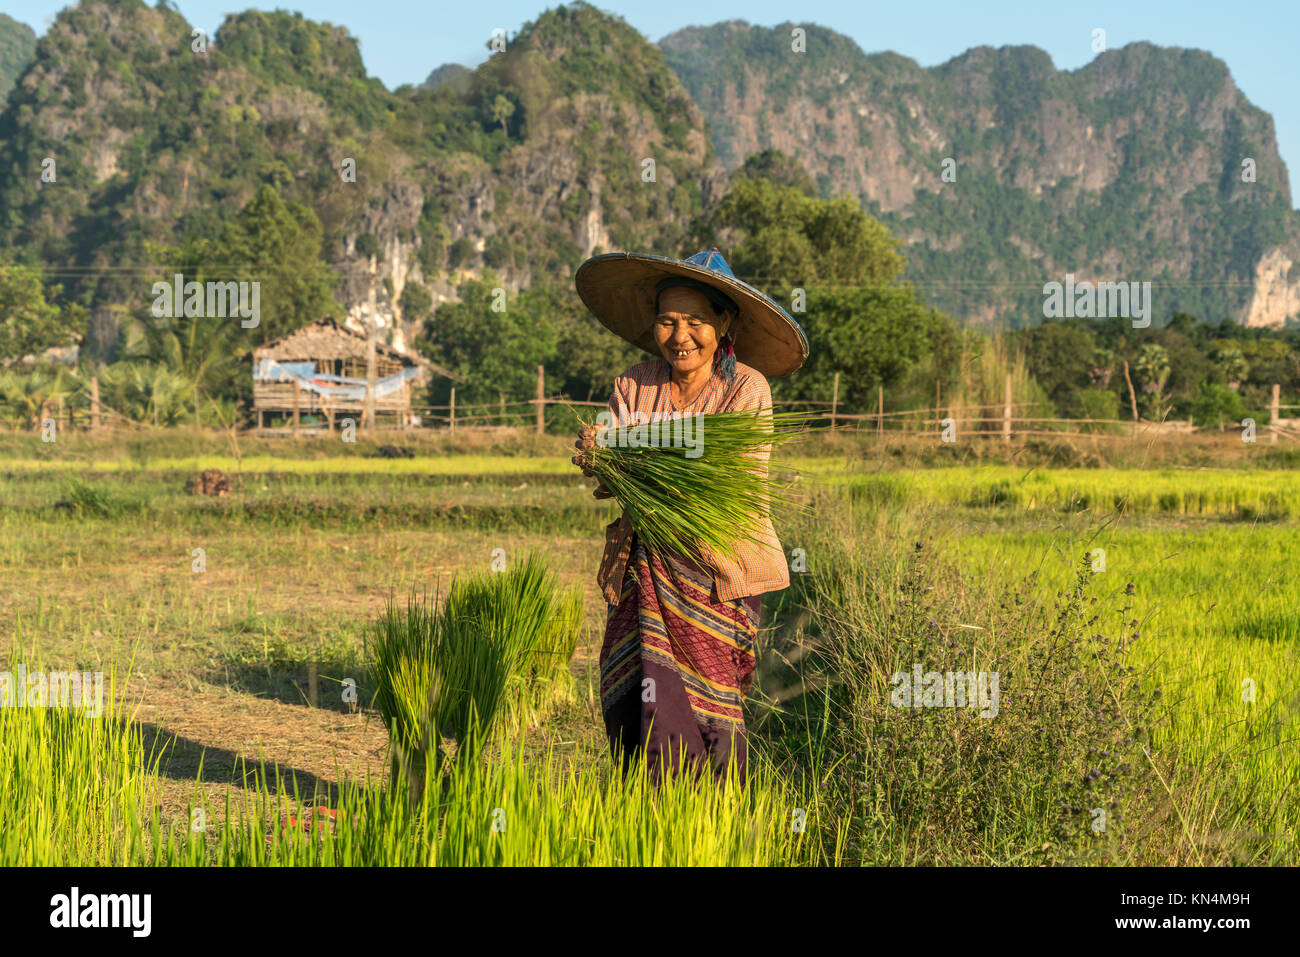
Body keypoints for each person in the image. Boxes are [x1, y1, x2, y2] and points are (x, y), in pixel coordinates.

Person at [570, 247, 808, 788]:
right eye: (667, 321)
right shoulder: (635, 384)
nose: (681, 335)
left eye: (697, 320)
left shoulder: (746, 389)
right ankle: (649, 808)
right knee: (642, 692)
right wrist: (599, 453)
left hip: (718, 571)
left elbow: (733, 481)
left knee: (713, 709)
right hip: (645, 565)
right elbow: (611, 476)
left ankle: (717, 816)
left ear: (723, 323)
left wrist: (633, 448)